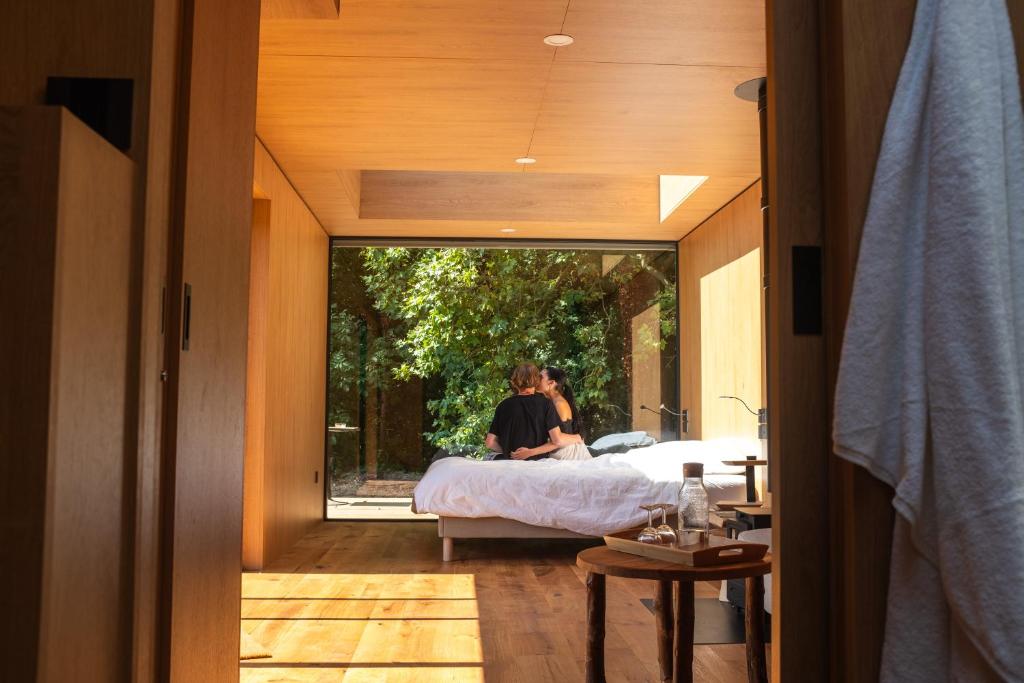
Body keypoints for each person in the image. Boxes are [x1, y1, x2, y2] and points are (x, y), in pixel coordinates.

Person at [485, 363, 583, 460]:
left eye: (540, 377)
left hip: (563, 455)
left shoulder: (503, 405)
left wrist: (511, 452)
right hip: (542, 456)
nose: (538, 379)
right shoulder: (546, 403)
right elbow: (556, 439)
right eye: (537, 377)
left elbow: (490, 442)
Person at [510, 366, 592, 461]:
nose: (535, 379)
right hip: (558, 454)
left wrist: (529, 452)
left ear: (551, 383)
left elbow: (558, 440)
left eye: (540, 377)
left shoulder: (559, 404)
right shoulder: (548, 402)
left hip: (568, 455)